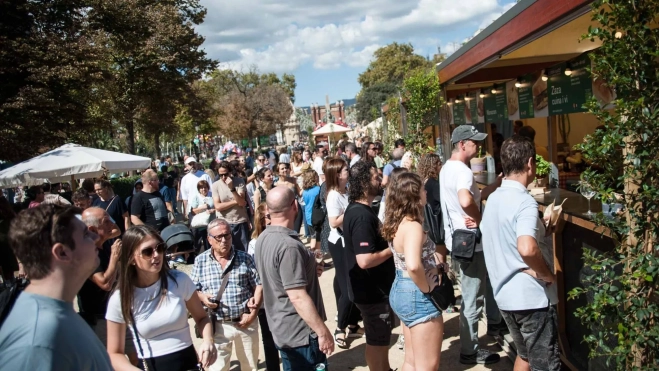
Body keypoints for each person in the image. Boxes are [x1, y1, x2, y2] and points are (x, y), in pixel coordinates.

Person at [0, 205, 113, 369]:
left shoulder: (56, 314)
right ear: (62, 253)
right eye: (85, 234)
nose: (95, 238)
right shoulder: (38, 339)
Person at [481, 136, 560, 371]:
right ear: (530, 163)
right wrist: (546, 274)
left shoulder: (493, 198)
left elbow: (500, 235)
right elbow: (526, 248)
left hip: (504, 296)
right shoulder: (524, 202)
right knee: (544, 365)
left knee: (524, 355)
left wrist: (541, 229)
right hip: (530, 299)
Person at [105, 225, 217, 370]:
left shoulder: (179, 281)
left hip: (188, 364)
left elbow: (202, 318)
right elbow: (114, 353)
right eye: (147, 252)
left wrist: (208, 341)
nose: (156, 254)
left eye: (160, 248)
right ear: (131, 259)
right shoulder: (121, 298)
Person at [440, 125, 504, 365]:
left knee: (470, 295)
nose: (478, 146)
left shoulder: (447, 169)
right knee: (473, 299)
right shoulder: (464, 172)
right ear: (461, 144)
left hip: (456, 242)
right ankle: (470, 350)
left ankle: (476, 341)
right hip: (471, 243)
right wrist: (480, 219)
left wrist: (495, 185)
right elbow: (466, 199)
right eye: (474, 142)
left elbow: (471, 197)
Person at [254, 187, 333, 370]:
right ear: (295, 206)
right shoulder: (288, 246)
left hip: (283, 329)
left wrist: (309, 269)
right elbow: (297, 296)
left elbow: (278, 279)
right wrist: (322, 332)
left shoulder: (264, 237)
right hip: (302, 334)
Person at [383, 172, 444, 370]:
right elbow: (413, 265)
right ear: (414, 195)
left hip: (401, 288)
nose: (426, 192)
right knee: (428, 366)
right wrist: (427, 288)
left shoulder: (397, 222)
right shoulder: (412, 226)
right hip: (416, 293)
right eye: (422, 189)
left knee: (411, 360)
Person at [343, 160, 395, 371]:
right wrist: (393, 248)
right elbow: (364, 259)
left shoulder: (359, 210)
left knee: (378, 340)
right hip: (372, 293)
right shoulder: (362, 216)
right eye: (376, 176)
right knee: (377, 340)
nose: (381, 180)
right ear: (364, 182)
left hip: (370, 291)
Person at [191, 219, 263, 371]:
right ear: (209, 239)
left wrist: (253, 313)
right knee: (217, 368)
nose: (224, 240)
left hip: (245, 322)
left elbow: (259, 285)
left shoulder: (245, 258)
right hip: (217, 326)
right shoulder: (200, 261)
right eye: (219, 237)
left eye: (227, 235)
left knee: (250, 367)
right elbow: (193, 291)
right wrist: (203, 297)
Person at [78, 207, 137, 363]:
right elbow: (104, 283)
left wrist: (107, 218)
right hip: (98, 316)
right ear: (92, 229)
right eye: (106, 222)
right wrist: (114, 257)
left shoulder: (105, 243)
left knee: (135, 355)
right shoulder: (86, 252)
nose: (112, 224)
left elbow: (117, 230)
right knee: (108, 360)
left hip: (120, 311)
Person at [324, 158, 362, 348]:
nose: (349, 171)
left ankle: (353, 324)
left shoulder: (346, 190)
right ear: (337, 174)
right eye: (346, 169)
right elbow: (333, 221)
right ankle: (340, 327)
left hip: (348, 241)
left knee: (345, 280)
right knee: (349, 286)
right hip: (339, 243)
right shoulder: (333, 195)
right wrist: (353, 210)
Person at [246, 203, 281, 371]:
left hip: (281, 292)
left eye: (271, 215)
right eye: (266, 216)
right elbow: (255, 271)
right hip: (265, 294)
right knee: (268, 337)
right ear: (259, 220)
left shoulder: (282, 235)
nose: (270, 219)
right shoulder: (253, 243)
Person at [212, 161, 249, 252]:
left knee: (243, 250)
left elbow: (241, 202)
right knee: (227, 251)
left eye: (226, 174)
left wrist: (232, 188)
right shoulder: (215, 185)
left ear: (230, 172)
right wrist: (235, 201)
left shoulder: (239, 182)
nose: (224, 177)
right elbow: (218, 206)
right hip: (225, 222)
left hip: (240, 221)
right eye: (221, 175)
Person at [417, 153, 447, 257]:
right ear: (433, 166)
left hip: (428, 226)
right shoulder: (434, 184)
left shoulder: (423, 182)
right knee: (440, 258)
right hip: (437, 227)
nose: (441, 166)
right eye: (439, 163)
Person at [188, 180, 215, 257]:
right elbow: (192, 211)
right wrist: (202, 208)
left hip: (211, 223)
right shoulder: (196, 197)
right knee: (203, 242)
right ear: (199, 189)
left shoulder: (212, 196)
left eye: (205, 187)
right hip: (201, 225)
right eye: (201, 188)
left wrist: (213, 210)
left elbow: (217, 206)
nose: (203, 189)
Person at [301, 170, 321, 249]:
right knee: (318, 239)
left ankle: (312, 255)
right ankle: (319, 259)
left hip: (308, 216)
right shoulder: (318, 189)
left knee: (313, 237)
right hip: (317, 216)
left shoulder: (305, 191)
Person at [0, 196, 18, 281]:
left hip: (6, 253)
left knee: (8, 278)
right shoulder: (11, 219)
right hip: (8, 254)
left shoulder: (7, 221)